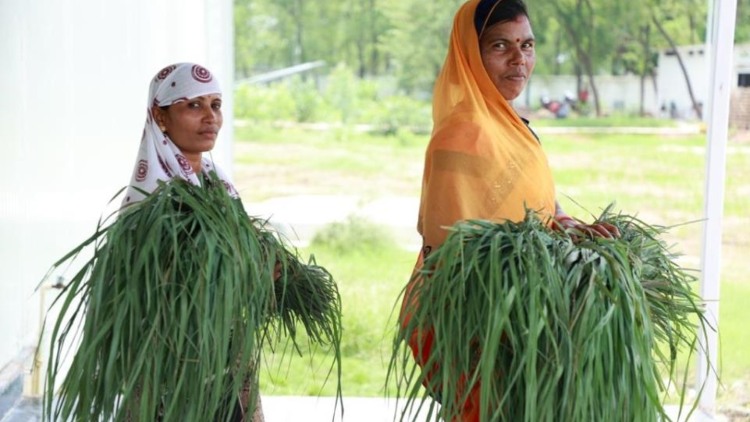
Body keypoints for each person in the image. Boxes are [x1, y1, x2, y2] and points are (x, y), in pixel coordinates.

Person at [399, 1, 618, 420]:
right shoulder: (459, 135)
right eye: (501, 46)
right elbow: (449, 254)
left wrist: (573, 229)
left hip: (526, 316)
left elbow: (538, 206)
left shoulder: (512, 124)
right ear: (470, 54)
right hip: (480, 322)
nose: (520, 59)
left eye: (528, 45)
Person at [123, 62, 264, 422]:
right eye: (194, 105)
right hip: (173, 362)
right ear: (161, 115)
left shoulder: (217, 183)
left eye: (216, 105)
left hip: (227, 356)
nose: (210, 118)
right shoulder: (153, 195)